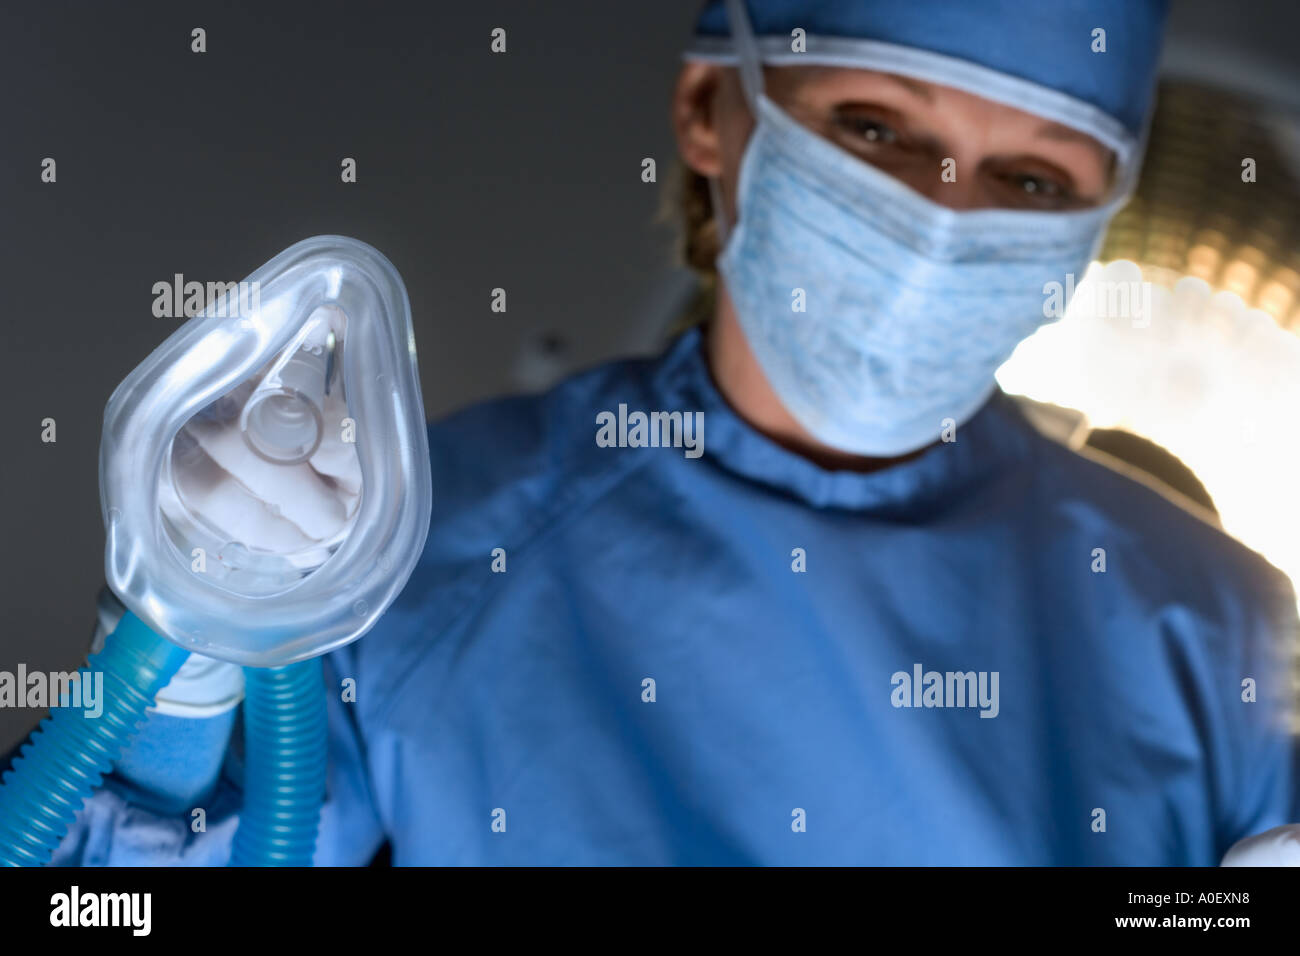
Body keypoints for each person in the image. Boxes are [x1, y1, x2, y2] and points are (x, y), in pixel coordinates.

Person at [50, 0, 1300, 865]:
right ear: (712, 107)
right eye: (876, 127)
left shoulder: (1217, 628)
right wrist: (180, 662)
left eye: (1031, 180)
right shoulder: (422, 550)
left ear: (1091, 226)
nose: (941, 220)